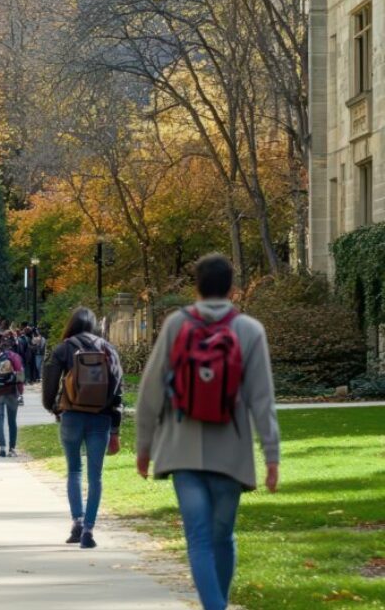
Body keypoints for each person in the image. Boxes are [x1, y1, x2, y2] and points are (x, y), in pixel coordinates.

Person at [135, 254, 280, 610]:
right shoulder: (249, 330)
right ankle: (219, 604)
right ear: (233, 288)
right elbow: (263, 400)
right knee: (222, 536)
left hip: (182, 447)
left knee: (198, 539)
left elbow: (150, 390)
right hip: (232, 450)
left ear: (196, 287)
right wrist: (272, 456)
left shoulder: (176, 326)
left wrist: (144, 446)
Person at [41, 307, 124, 549]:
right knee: (95, 475)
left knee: (74, 470)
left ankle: (76, 521)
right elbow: (118, 391)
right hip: (101, 418)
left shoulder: (64, 348)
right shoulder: (108, 349)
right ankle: (89, 529)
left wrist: (55, 408)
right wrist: (115, 430)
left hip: (72, 416)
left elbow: (49, 386)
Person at [0, 335, 24, 457]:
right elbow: (20, 376)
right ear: (12, 345)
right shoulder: (15, 357)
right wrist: (20, 392)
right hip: (11, 391)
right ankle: (12, 449)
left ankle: (2, 448)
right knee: (12, 421)